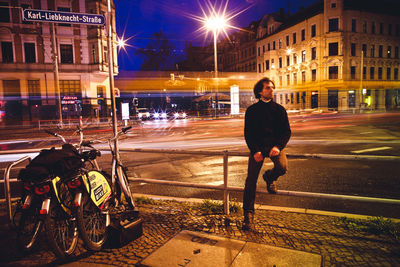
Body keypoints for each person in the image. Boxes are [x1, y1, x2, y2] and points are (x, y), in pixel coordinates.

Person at [242, 77, 291, 230]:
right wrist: (255, 150)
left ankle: (269, 177)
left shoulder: (279, 110)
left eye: (272, 88)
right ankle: (248, 215)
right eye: (268, 88)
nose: (271, 90)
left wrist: (278, 146)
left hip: (275, 147)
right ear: (260, 91)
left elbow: (286, 132)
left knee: (282, 167)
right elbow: (248, 134)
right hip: (258, 148)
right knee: (250, 181)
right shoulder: (252, 111)